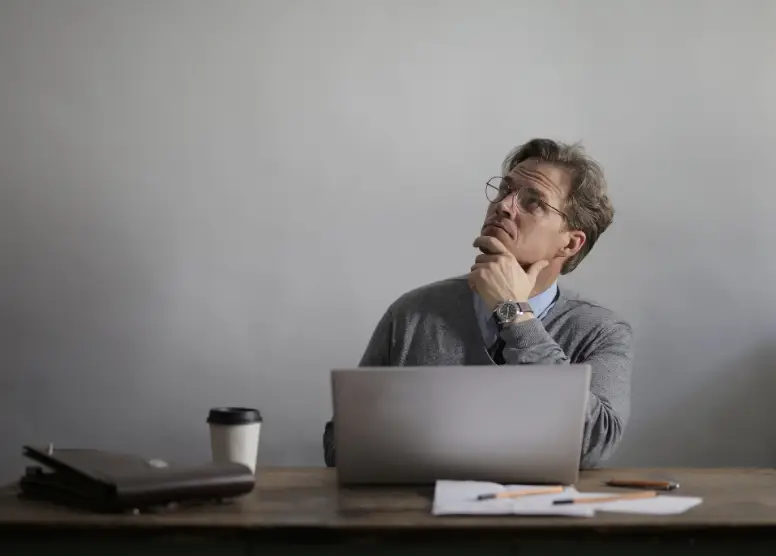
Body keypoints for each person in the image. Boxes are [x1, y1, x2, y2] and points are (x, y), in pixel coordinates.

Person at [323, 138, 633, 469]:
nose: (504, 206)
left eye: (533, 202)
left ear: (570, 243)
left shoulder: (601, 332)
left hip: (536, 504)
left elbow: (594, 445)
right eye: (505, 190)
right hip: (420, 501)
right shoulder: (413, 313)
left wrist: (515, 314)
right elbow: (340, 446)